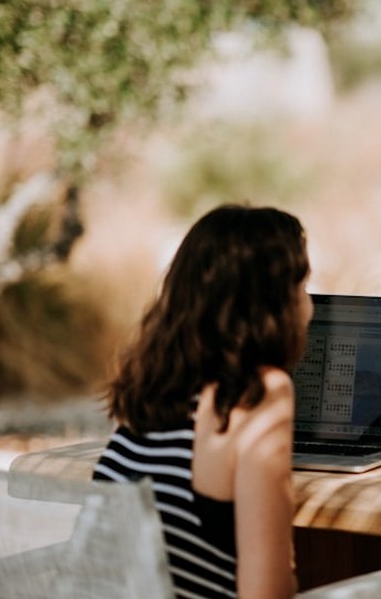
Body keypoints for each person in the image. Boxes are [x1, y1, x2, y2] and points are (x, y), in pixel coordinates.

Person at [93, 204, 312, 599]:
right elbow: (266, 593)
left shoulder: (148, 383)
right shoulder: (258, 394)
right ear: (271, 306)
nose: (308, 305)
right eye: (301, 288)